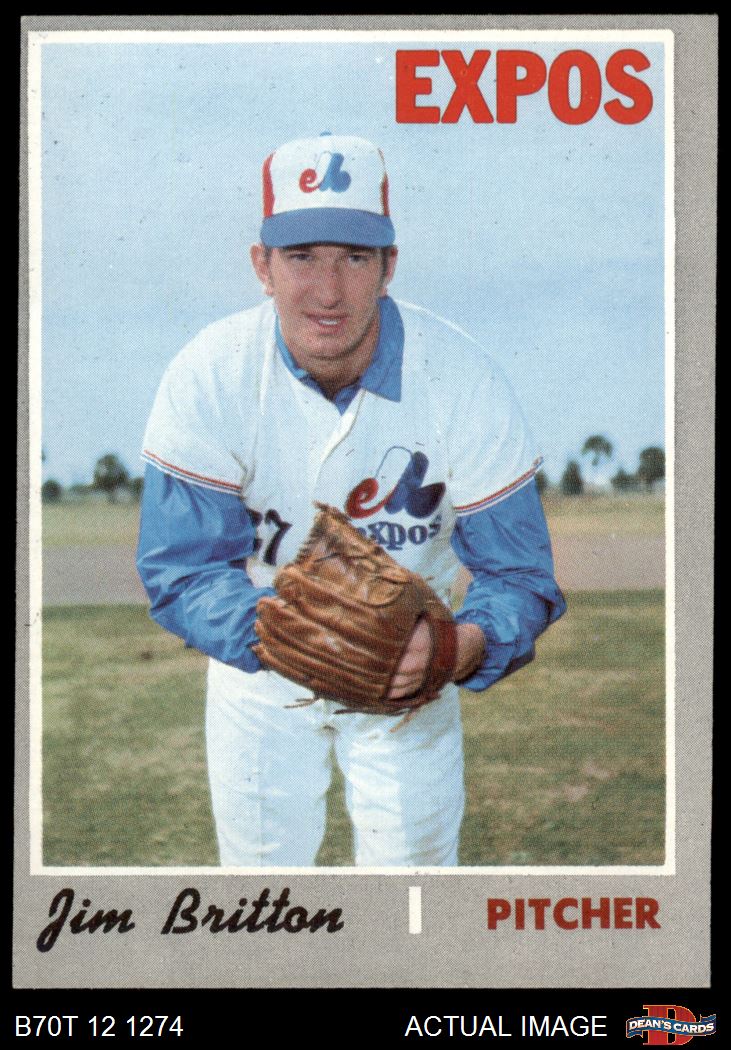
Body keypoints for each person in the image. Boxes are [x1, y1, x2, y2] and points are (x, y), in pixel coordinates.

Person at [136, 133, 566, 867]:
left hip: (411, 667)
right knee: (260, 894)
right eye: (302, 257)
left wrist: (457, 648)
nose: (329, 291)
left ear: (389, 266)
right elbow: (181, 567)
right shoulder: (210, 372)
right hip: (258, 671)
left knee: (412, 893)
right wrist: (291, 635)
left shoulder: (463, 378)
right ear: (262, 266)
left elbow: (520, 574)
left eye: (355, 258)